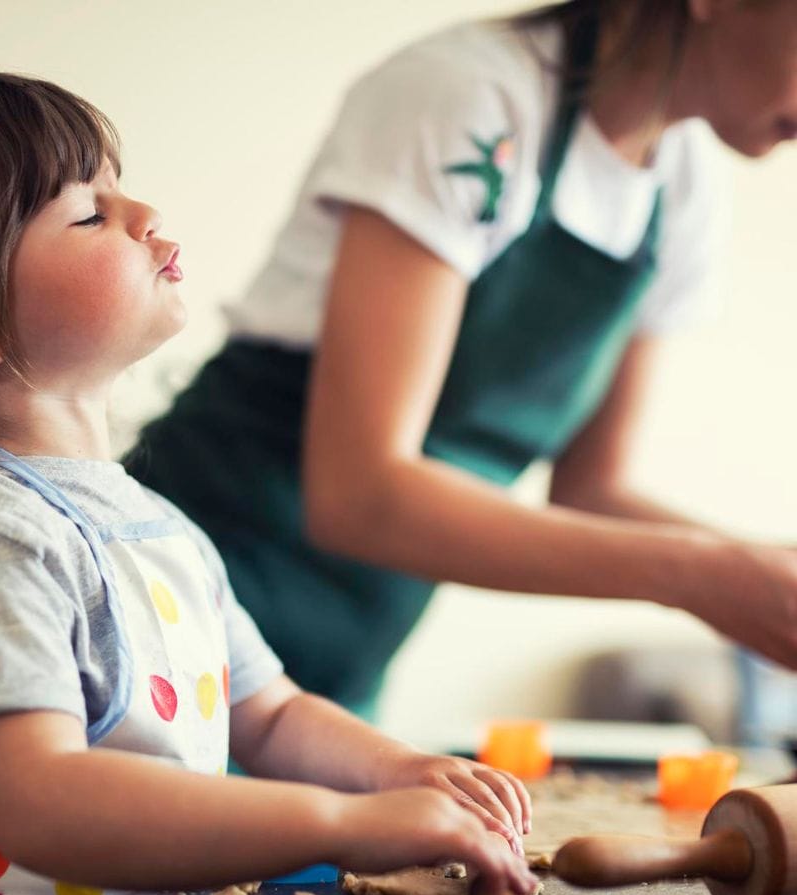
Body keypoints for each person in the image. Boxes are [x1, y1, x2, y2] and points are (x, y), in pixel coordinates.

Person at [0, 72, 536, 895]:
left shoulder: (157, 522)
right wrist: (347, 823)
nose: (141, 212)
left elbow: (274, 713)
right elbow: (42, 798)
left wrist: (399, 771)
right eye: (88, 213)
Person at [130, 0, 797, 721]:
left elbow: (592, 488)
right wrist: (704, 575)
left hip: (338, 678)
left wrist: (762, 574)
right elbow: (360, 497)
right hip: (178, 620)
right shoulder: (465, 98)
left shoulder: (684, 188)